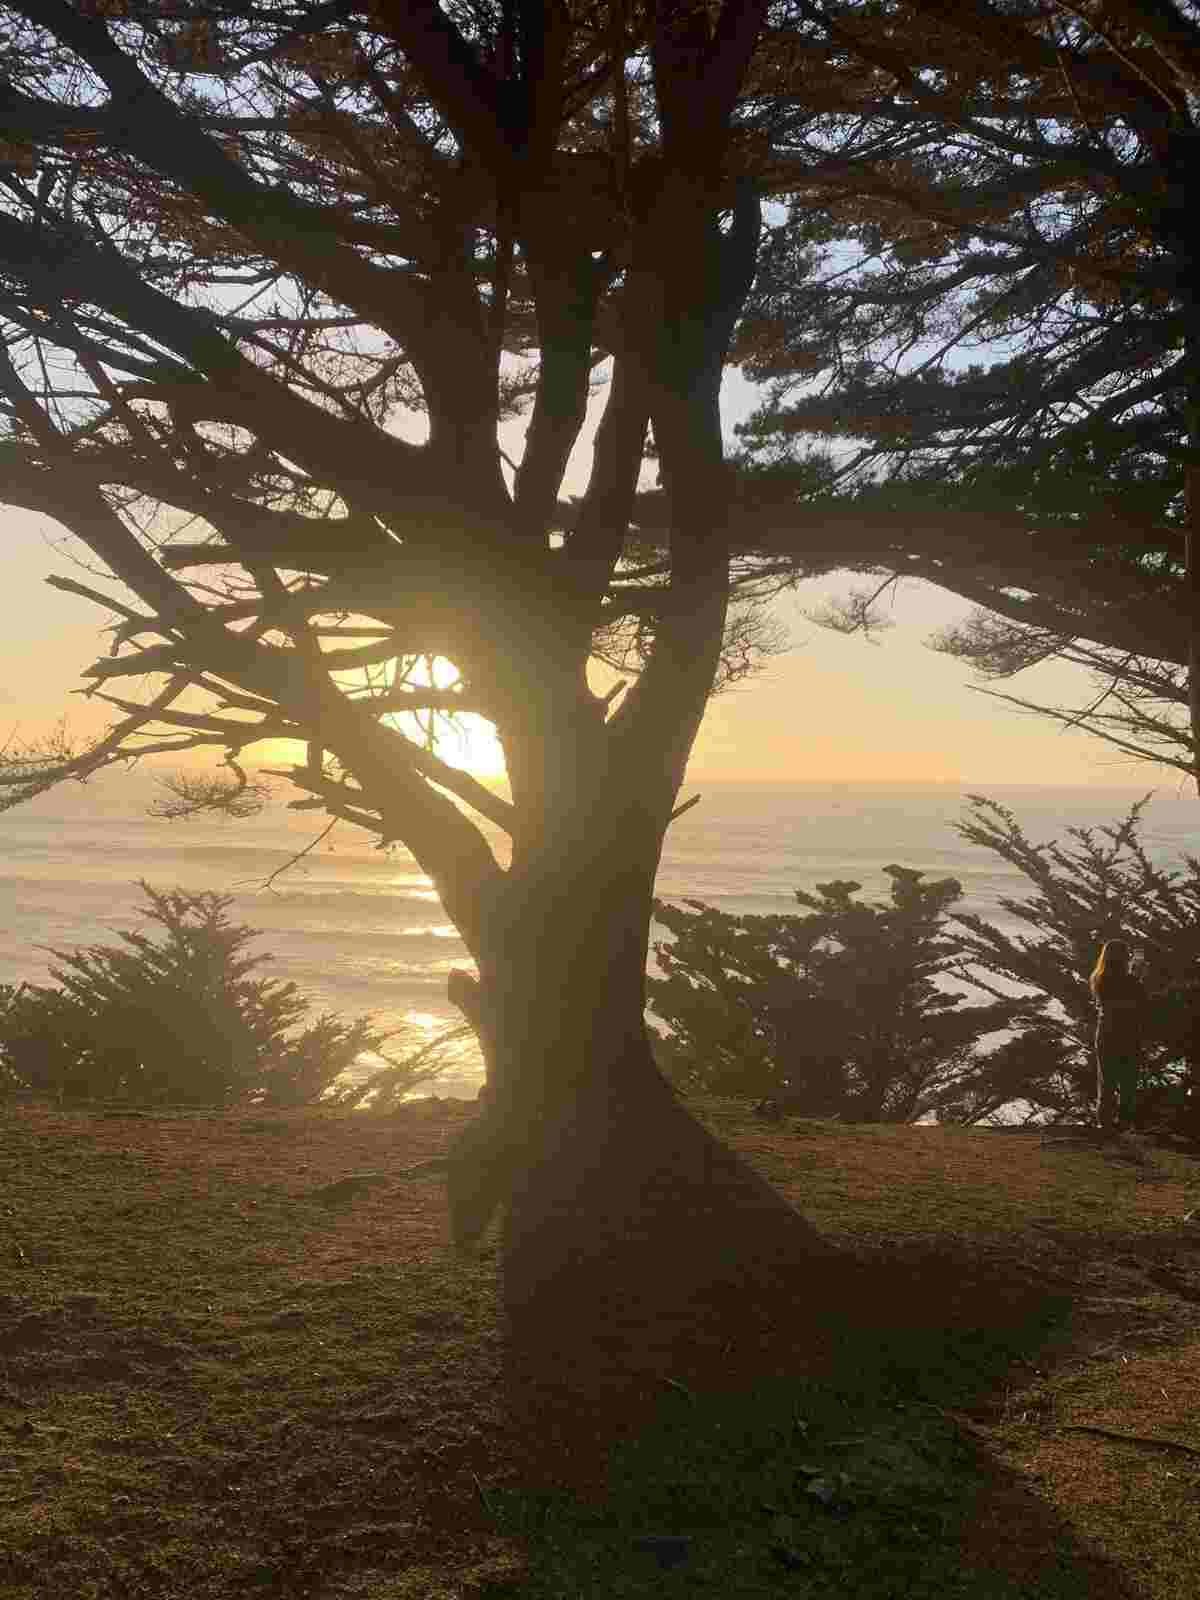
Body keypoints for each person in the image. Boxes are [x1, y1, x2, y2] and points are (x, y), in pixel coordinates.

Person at [1089, 939, 1147, 1134]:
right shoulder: (1129, 981)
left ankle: (1104, 1124)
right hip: (1128, 1034)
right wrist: (1139, 978)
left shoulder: (1099, 978)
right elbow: (1139, 1003)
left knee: (1107, 1081)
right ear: (1124, 957)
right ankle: (1123, 1124)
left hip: (1106, 1033)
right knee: (1128, 1082)